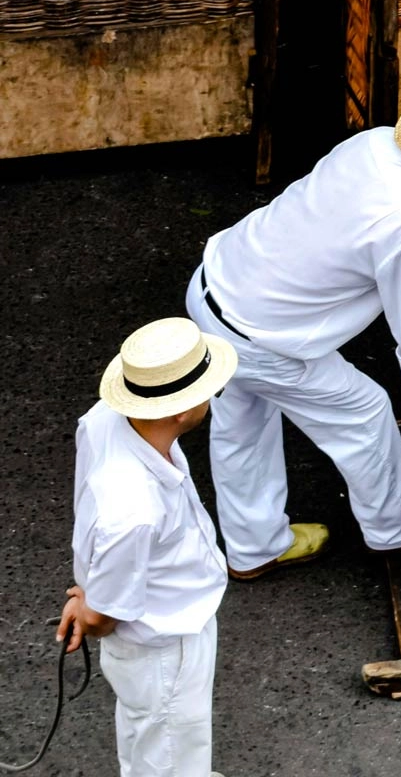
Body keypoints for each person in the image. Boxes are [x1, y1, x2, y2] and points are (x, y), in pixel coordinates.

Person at [184, 72, 401, 580]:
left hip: (217, 283)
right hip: (262, 336)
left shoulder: (375, 143)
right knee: (364, 412)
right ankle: (399, 529)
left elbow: (352, 238)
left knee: (242, 423)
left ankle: (253, 547)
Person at [60, 317, 238, 777]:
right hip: (164, 644)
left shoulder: (104, 420)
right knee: (171, 749)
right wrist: (91, 607)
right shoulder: (136, 509)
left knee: (149, 734)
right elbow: (101, 618)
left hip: (153, 631)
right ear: (180, 410)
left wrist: (89, 592)